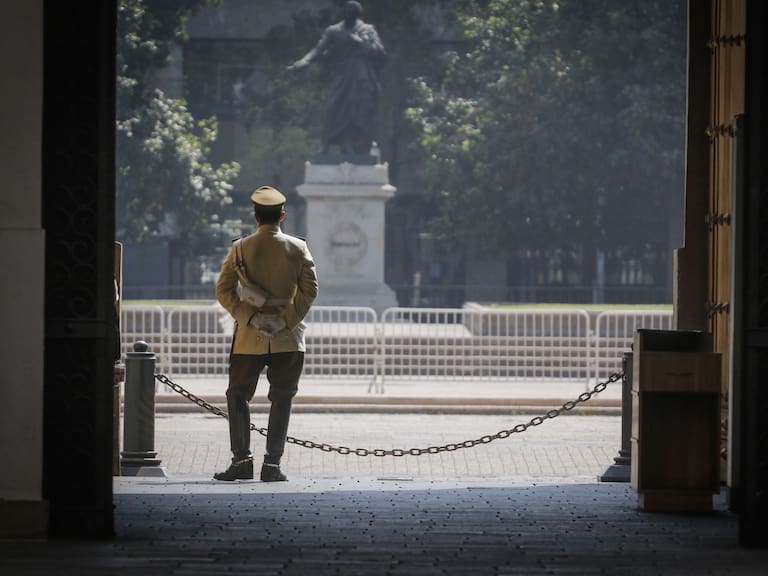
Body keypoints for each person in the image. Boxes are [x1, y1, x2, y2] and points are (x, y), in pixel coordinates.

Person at [214, 185, 318, 482]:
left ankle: (241, 461)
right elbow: (310, 291)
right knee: (282, 398)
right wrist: (288, 321)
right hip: (288, 337)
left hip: (249, 337)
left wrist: (248, 316)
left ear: (255, 216)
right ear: (282, 216)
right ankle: (272, 465)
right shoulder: (298, 247)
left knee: (237, 395)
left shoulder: (240, 248)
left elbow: (223, 290)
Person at [287, 1, 386, 156]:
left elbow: (380, 53)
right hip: (342, 74)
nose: (349, 14)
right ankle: (326, 142)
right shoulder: (333, 30)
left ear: (358, 14)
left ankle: (357, 147)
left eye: (353, 12)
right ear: (343, 12)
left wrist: (361, 43)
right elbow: (318, 49)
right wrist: (304, 61)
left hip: (362, 75)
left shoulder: (368, 30)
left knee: (361, 110)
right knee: (333, 107)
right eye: (347, 11)